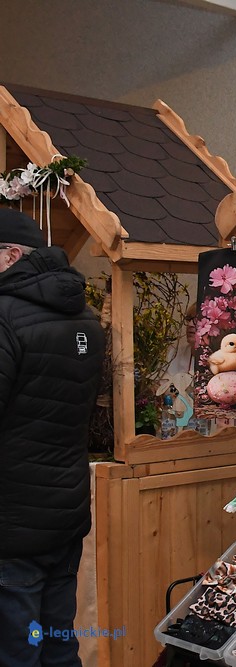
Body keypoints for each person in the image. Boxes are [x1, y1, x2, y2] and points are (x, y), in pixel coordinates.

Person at [0, 209, 106, 667]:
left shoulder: (5, 317)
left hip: (13, 522)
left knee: (17, 651)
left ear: (10, 256)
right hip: (64, 512)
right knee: (60, 644)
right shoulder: (86, 318)